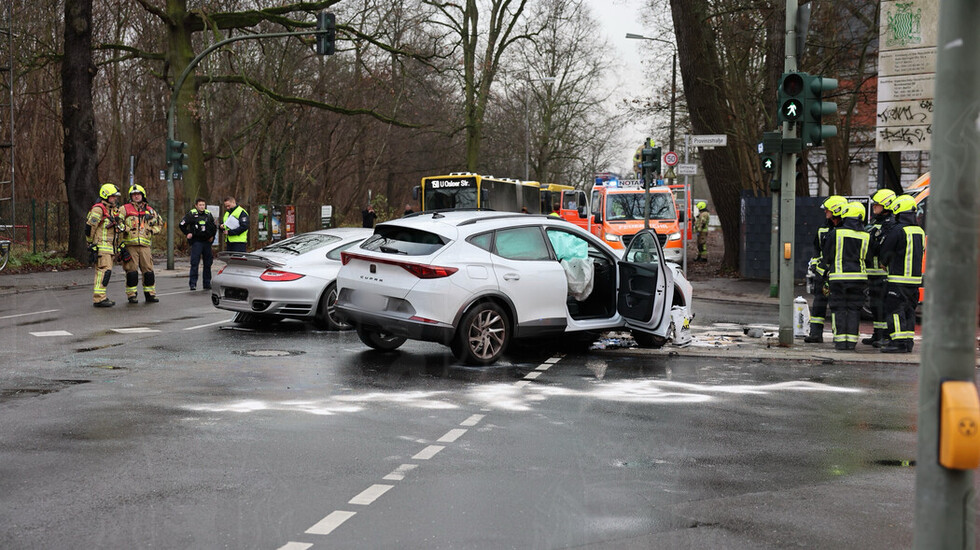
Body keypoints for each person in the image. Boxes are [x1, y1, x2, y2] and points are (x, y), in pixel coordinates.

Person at [878, 195, 925, 353]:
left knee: (895, 310)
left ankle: (898, 342)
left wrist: (883, 262)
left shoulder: (898, 230)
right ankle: (907, 342)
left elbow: (886, 251)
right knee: (909, 311)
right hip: (914, 281)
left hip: (898, 279)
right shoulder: (919, 231)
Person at [821, 201, 869, 350]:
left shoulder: (836, 233)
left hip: (839, 278)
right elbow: (869, 257)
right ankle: (852, 342)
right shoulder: (866, 236)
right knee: (854, 309)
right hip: (859, 279)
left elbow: (827, 255)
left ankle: (841, 341)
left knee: (839, 308)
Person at [804, 195, 847, 343]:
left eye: (827, 210)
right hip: (822, 275)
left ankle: (839, 336)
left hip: (839, 274)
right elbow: (816, 248)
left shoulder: (846, 228)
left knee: (837, 305)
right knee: (819, 303)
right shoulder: (823, 228)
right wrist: (816, 266)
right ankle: (815, 334)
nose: (825, 212)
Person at [862, 189, 897, 346]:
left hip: (883, 272)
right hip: (872, 271)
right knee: (875, 305)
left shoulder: (890, 225)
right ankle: (877, 334)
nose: (874, 207)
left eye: (877, 205)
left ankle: (885, 336)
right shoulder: (875, 223)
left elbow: (883, 247)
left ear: (886, 205)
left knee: (883, 305)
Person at [120, 184, 162, 303]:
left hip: (145, 246)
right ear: (130, 196)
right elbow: (117, 222)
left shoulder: (149, 210)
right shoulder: (125, 209)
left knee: (148, 271)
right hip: (130, 245)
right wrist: (126, 229)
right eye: (134, 195)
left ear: (143, 196)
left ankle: (150, 294)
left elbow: (159, 223)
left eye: (138, 194)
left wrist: (153, 230)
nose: (136, 196)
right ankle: (131, 295)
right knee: (132, 272)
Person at [86, 183, 124, 307]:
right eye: (113, 196)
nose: (115, 199)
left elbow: (120, 227)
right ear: (106, 195)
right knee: (103, 272)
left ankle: (101, 297)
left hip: (110, 247)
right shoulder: (98, 209)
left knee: (105, 272)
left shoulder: (113, 210)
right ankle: (99, 298)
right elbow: (90, 227)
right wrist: (91, 243)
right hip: (102, 246)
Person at [179, 198, 218, 291]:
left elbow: (213, 227)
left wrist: (212, 236)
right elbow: (182, 224)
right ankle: (193, 284)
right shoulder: (191, 214)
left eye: (203, 205)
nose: (202, 207)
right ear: (196, 206)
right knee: (195, 263)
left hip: (207, 242)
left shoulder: (208, 214)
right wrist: (187, 233)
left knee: (208, 263)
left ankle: (207, 283)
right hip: (197, 241)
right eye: (200, 205)